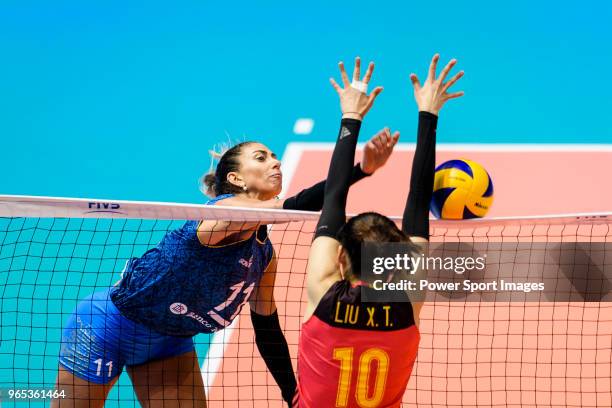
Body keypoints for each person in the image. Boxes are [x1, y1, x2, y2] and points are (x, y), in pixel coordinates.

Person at [52, 73, 399, 407]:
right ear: (235, 178)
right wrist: (359, 167)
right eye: (261, 158)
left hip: (169, 343)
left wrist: (292, 392)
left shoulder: (265, 256)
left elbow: (266, 327)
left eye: (275, 156)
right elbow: (299, 204)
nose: (275, 162)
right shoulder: (224, 212)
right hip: (108, 327)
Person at [296, 54, 464, 407]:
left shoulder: (323, 292)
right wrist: (429, 113)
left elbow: (333, 199)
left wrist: (351, 116)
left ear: (340, 258)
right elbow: (419, 206)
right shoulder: (407, 301)